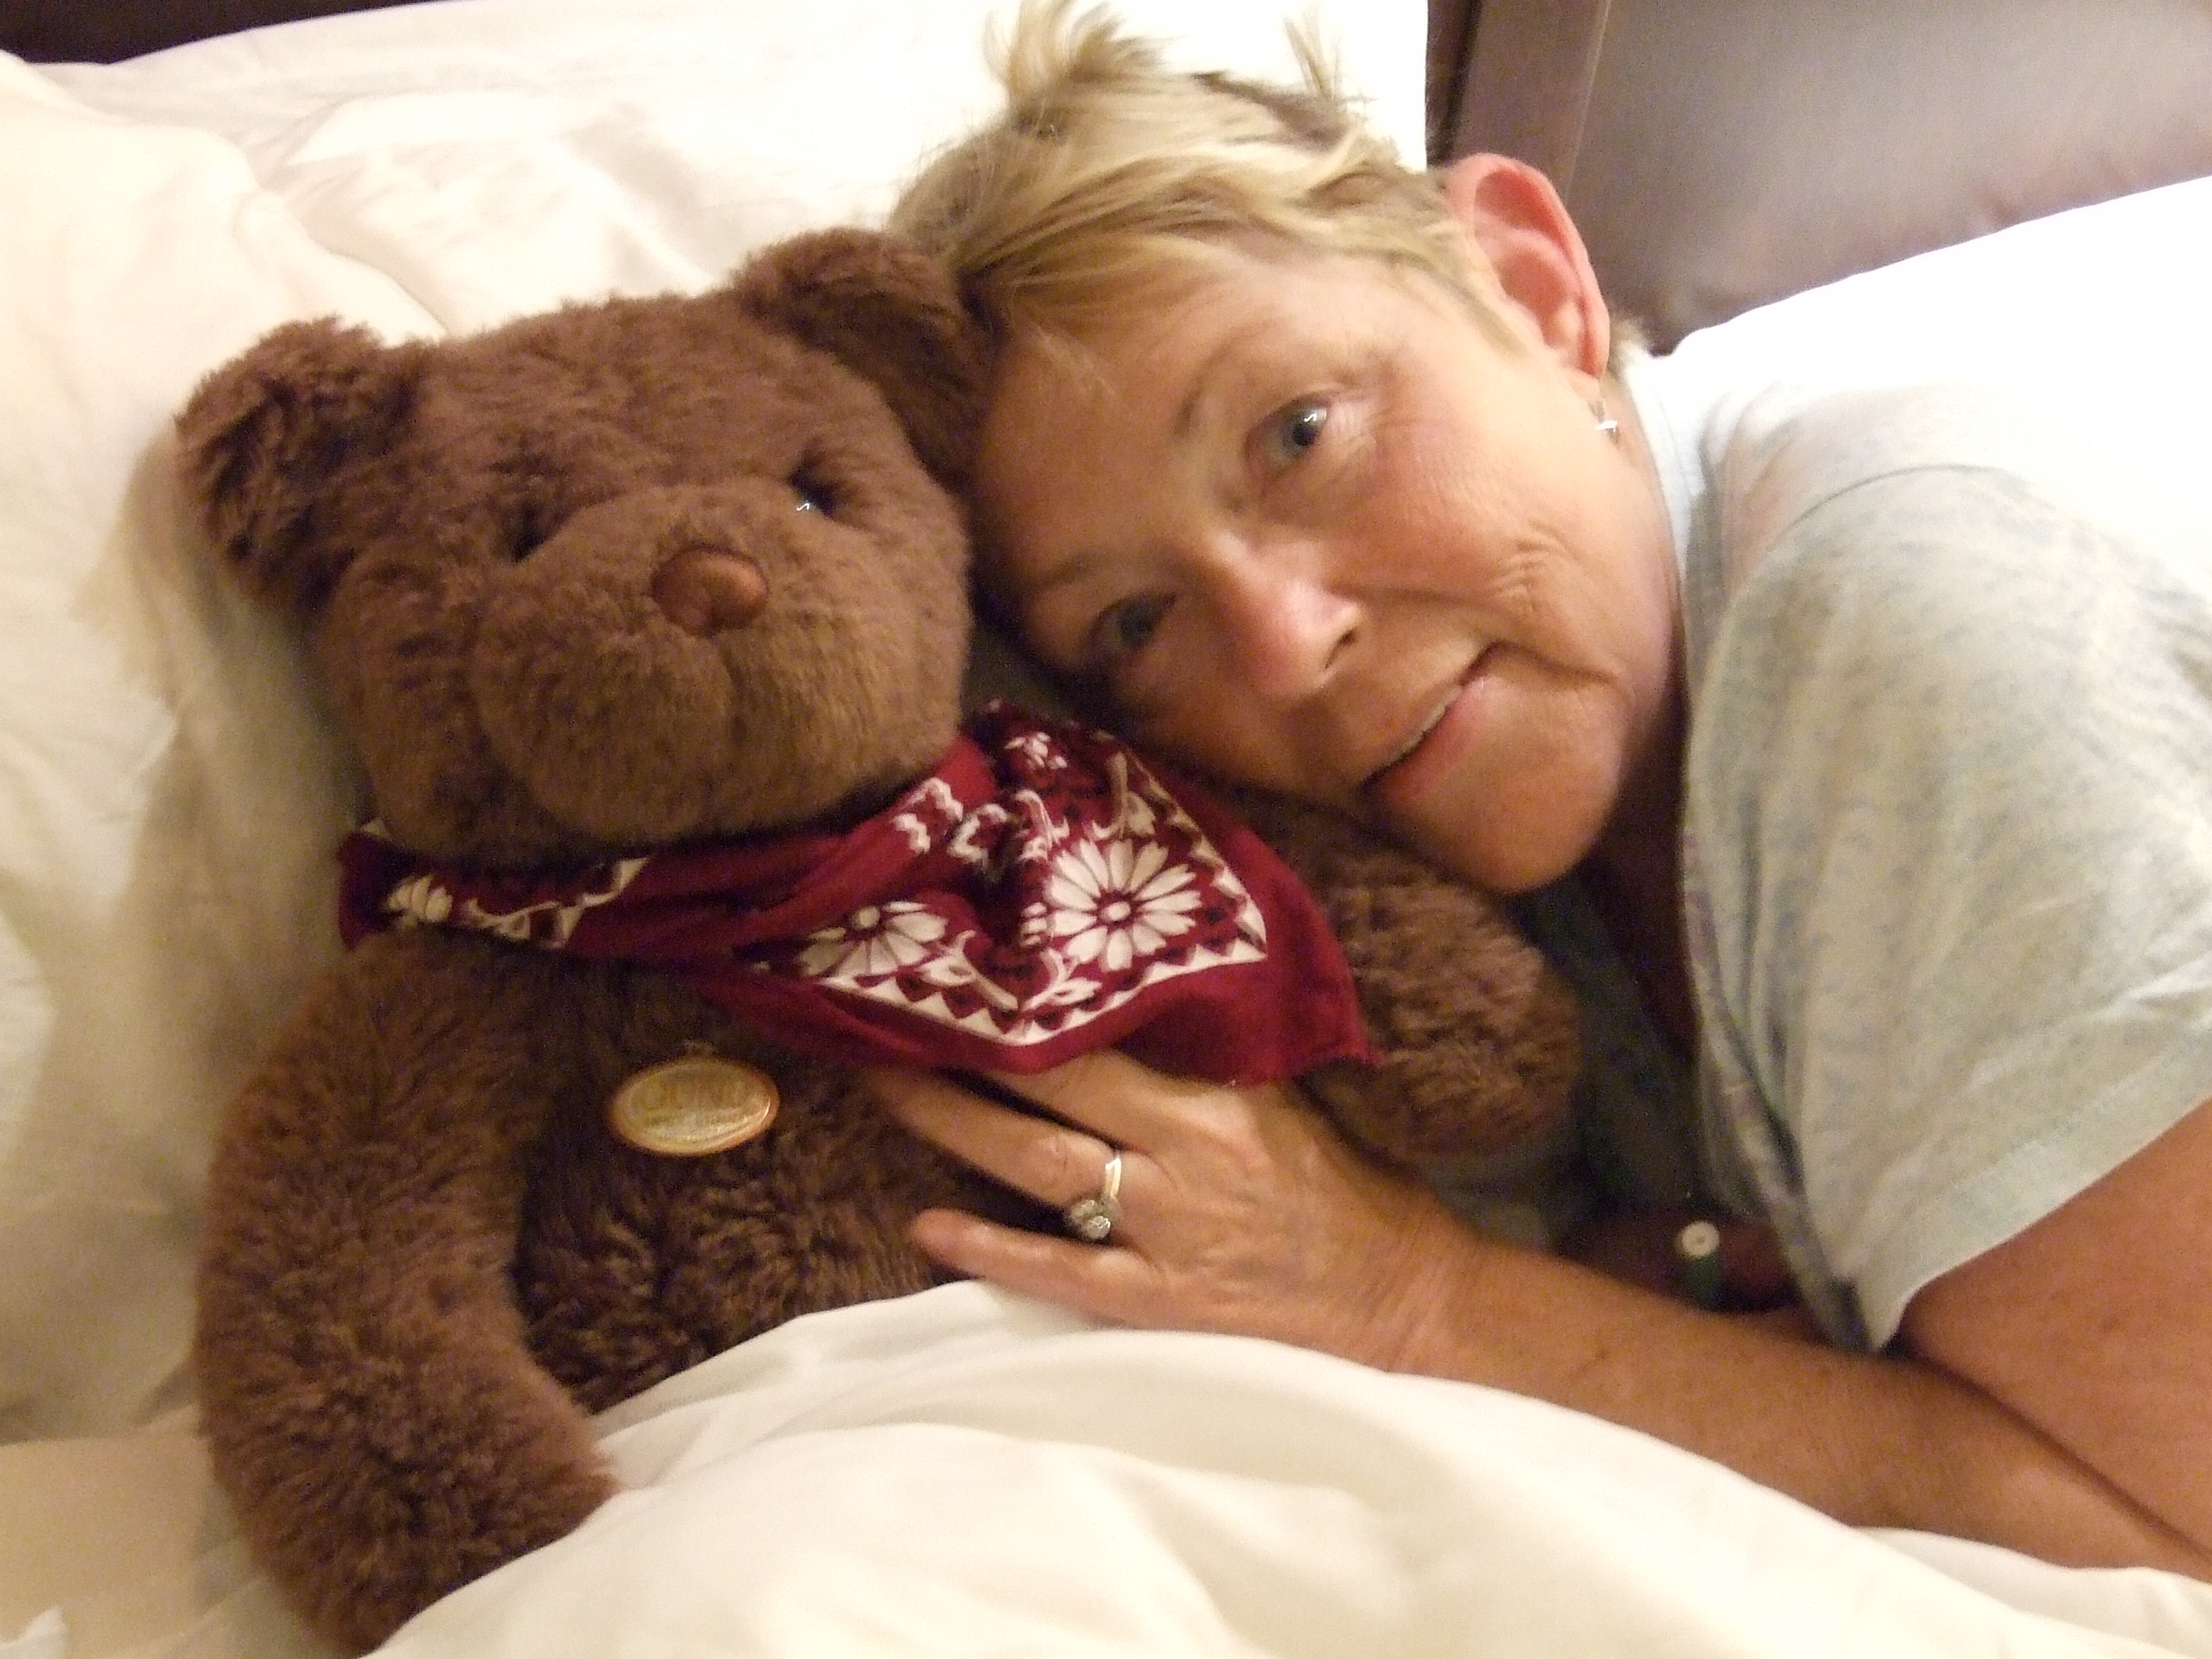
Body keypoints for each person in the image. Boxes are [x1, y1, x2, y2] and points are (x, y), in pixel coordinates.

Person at [867, 0, 2212, 1576]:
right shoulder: (1478, 856)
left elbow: (2169, 1536)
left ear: (1528, 288)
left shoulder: (1906, 611)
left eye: (1299, 434)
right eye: (1135, 622)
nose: (1283, 648)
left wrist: (1417, 1297)